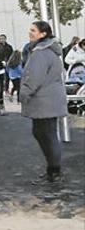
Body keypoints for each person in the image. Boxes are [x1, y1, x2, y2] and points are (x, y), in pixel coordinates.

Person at [19, 21, 67, 185]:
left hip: (44, 101)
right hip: (50, 100)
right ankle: (53, 170)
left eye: (33, 30)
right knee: (46, 134)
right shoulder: (50, 52)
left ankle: (54, 171)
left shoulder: (40, 53)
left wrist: (23, 93)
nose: (30, 32)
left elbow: (33, 78)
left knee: (46, 135)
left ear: (43, 34)